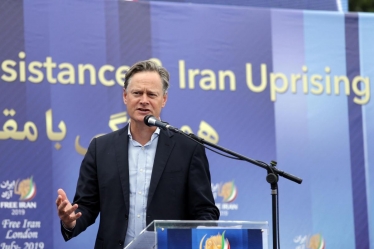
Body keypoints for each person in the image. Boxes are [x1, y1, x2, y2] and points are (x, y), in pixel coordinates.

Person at [56, 60, 219, 248]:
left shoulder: (189, 148)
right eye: (136, 93)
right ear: (125, 96)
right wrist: (70, 221)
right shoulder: (100, 148)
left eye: (151, 94)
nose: (144, 100)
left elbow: (205, 211)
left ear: (163, 100)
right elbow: (86, 207)